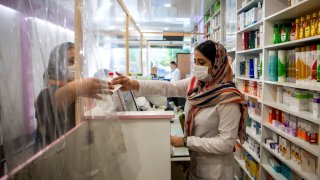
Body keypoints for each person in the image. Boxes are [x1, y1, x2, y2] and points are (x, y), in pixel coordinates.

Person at [111, 40, 247, 180]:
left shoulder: (228, 98)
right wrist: (133, 84)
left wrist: (185, 141)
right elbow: (168, 88)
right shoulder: (196, 85)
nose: (196, 67)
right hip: (194, 165)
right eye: (195, 61)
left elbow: (226, 143)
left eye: (201, 62)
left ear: (217, 64)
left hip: (215, 172)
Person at [34, 42, 110, 150]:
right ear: (57, 65)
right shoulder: (46, 95)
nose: (77, 66)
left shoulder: (80, 92)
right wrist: (79, 87)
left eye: (80, 62)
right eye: (71, 61)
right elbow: (57, 99)